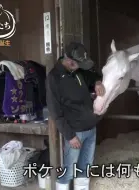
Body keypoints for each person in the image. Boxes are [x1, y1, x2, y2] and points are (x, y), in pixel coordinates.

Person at [46, 42, 105, 190]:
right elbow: (55, 112)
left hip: (91, 129)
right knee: (69, 170)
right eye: (79, 64)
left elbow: (95, 76)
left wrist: (98, 83)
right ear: (69, 61)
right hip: (75, 132)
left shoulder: (79, 72)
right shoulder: (54, 78)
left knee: (85, 169)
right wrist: (70, 135)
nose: (81, 67)